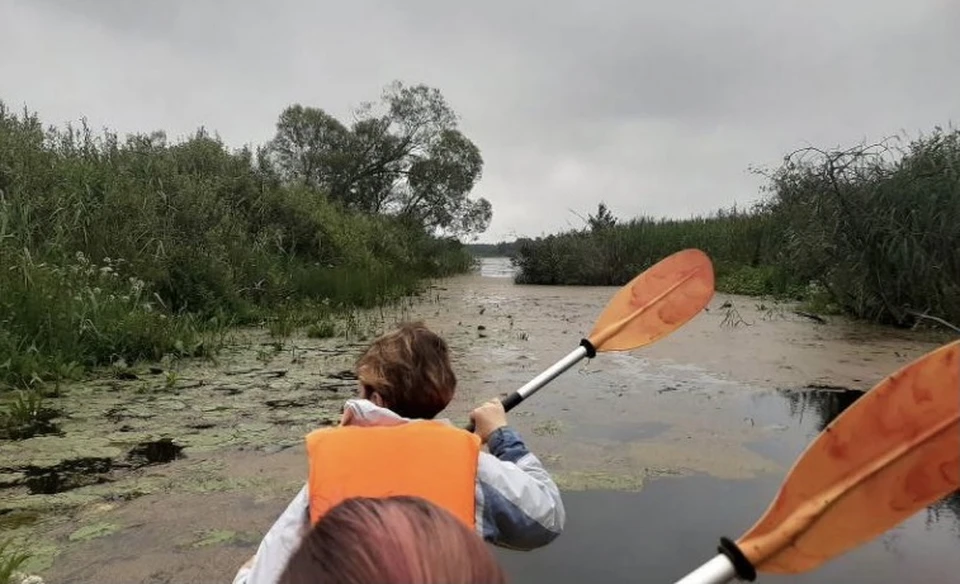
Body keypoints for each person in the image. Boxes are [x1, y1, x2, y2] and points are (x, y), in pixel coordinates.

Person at [233, 321, 565, 584]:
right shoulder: (474, 470)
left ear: (373, 397)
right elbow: (546, 519)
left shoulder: (330, 473)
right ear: (445, 395)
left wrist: (249, 569)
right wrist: (501, 435)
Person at [278, 495, 508, 584]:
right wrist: (501, 434)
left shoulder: (322, 470)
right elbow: (540, 520)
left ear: (376, 397)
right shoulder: (477, 463)